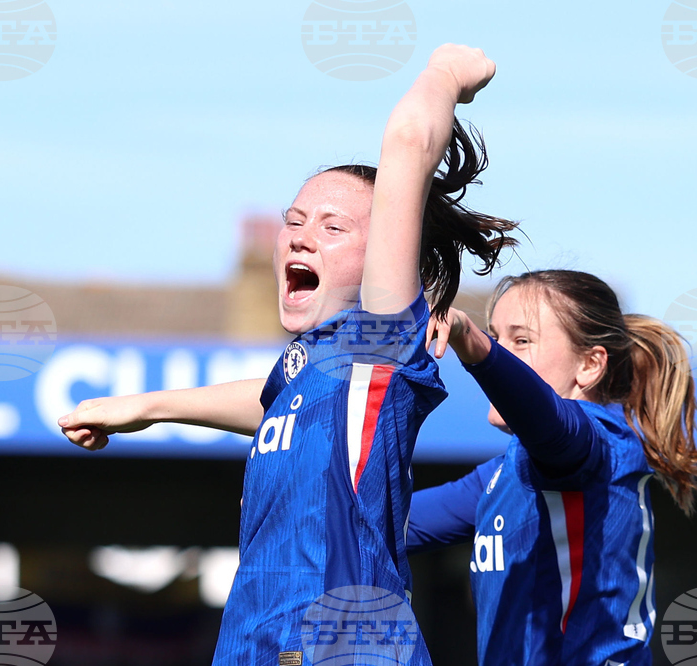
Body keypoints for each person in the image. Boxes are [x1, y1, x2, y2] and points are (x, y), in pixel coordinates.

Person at [58, 45, 517, 665]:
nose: (301, 235)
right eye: (295, 220)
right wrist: (150, 406)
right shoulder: (315, 370)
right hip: (253, 647)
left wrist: (446, 74)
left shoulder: (380, 342)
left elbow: (409, 142)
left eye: (333, 227)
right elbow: (273, 399)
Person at [406, 269, 697, 665]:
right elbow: (392, 524)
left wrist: (475, 344)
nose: (501, 351)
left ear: (589, 365)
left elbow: (546, 419)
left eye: (522, 340)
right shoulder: (505, 473)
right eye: (496, 337)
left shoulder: (598, 440)